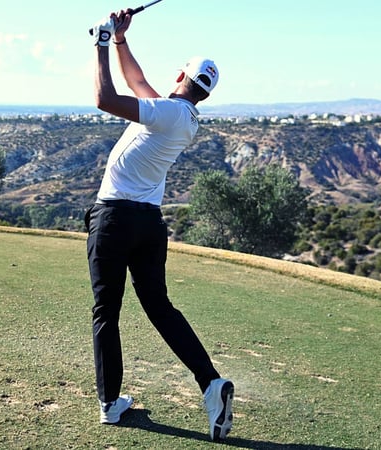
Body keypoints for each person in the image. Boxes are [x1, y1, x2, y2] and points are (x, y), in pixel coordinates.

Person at [85, 9, 234, 442]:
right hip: (148, 223)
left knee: (105, 312)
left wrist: (99, 43)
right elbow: (136, 84)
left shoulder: (168, 114)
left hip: (114, 219)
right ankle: (210, 383)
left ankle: (110, 404)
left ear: (180, 75)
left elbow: (105, 99)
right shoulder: (181, 117)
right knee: (159, 308)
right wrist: (120, 41)